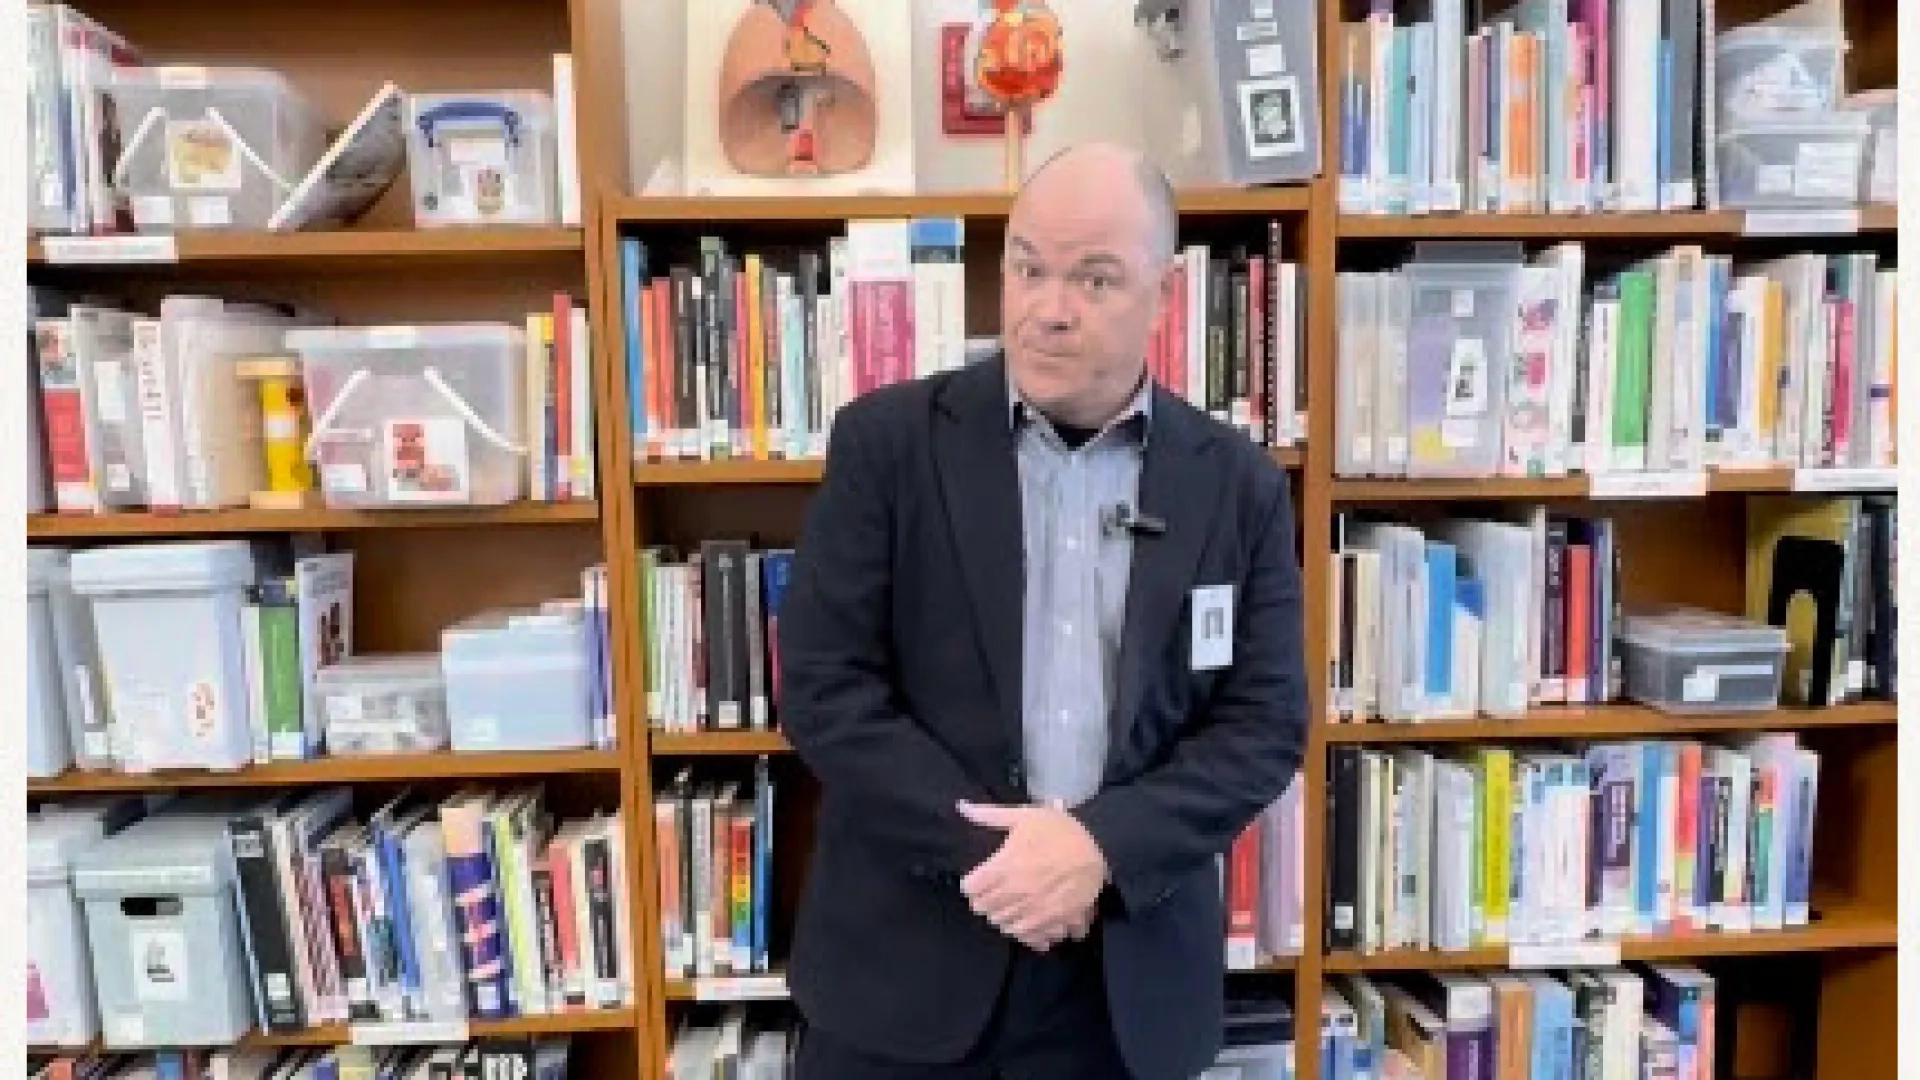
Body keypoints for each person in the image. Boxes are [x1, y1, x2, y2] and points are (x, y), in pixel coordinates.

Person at [779, 142, 1308, 1080]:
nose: (1048, 309)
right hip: (905, 973)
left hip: (1122, 989)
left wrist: (1099, 849)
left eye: (1094, 280)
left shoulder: (1238, 486)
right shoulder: (886, 447)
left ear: (1164, 295)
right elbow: (828, 692)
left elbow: (1262, 726)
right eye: (1027, 268)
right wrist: (1015, 862)